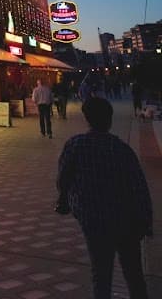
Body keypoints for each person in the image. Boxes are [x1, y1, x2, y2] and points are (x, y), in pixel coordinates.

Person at [56, 97, 153, 299]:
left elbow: (63, 179)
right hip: (126, 221)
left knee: (101, 274)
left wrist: (66, 201)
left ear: (87, 119)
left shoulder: (75, 145)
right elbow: (139, 188)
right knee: (134, 274)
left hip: (94, 221)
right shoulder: (121, 150)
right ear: (109, 119)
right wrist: (145, 221)